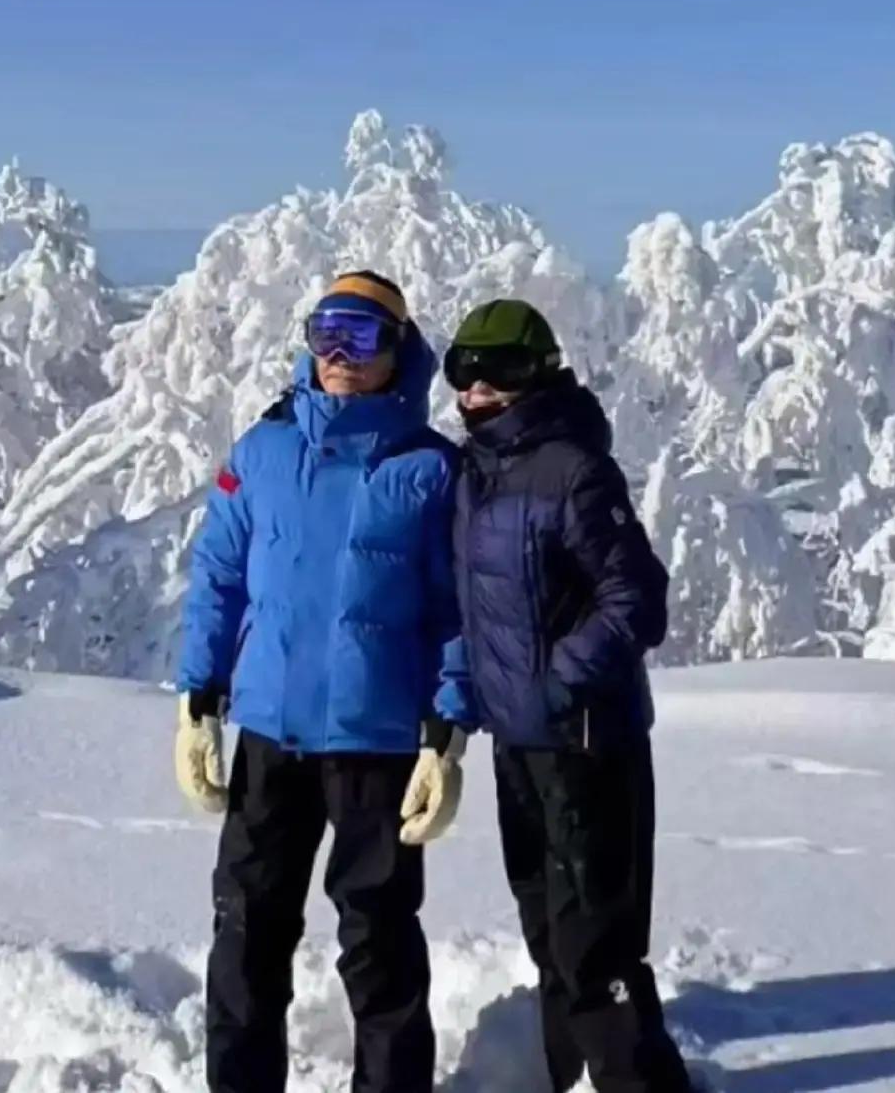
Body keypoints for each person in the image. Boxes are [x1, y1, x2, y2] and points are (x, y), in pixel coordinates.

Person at [175, 270, 471, 1093]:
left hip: (375, 745)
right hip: (269, 735)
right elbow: (218, 577)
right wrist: (199, 699)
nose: (340, 354)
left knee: (378, 943)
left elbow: (457, 615)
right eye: (325, 332)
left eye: (363, 336)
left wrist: (445, 737)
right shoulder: (262, 450)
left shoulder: (431, 470)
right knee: (245, 934)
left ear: (399, 350)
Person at [443, 299, 694, 1093]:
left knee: (596, 943)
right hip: (517, 745)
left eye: (501, 370)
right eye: (463, 370)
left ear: (540, 374)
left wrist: (559, 682)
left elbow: (638, 599)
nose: (478, 389)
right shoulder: (477, 473)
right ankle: (565, 1077)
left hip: (589, 743)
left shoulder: (574, 470)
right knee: (549, 932)